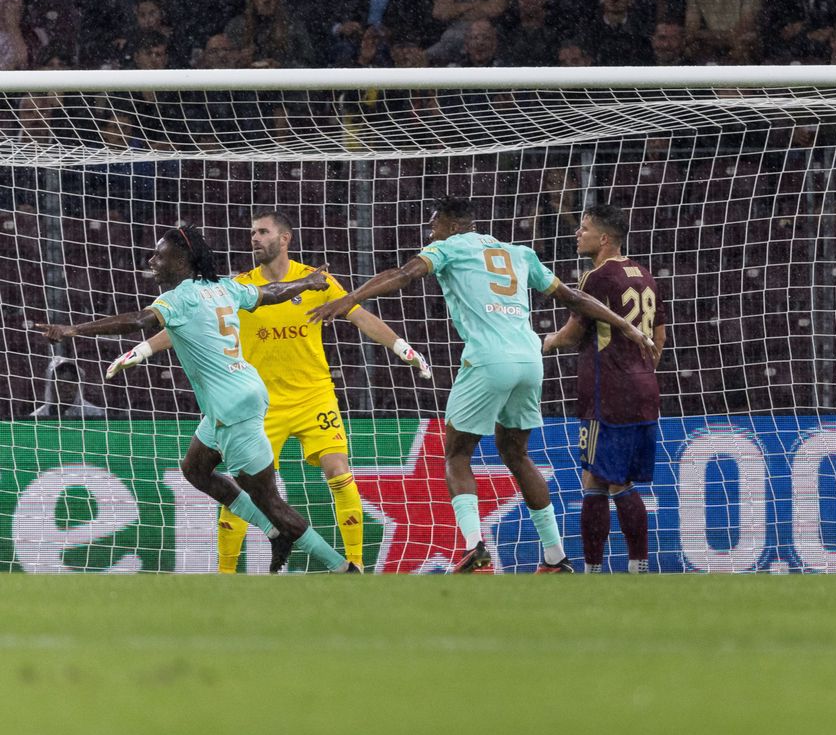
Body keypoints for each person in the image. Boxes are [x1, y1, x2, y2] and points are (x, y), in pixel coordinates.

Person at [307, 197, 658, 574]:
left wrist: (350, 298)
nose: (430, 233)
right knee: (517, 454)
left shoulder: (448, 247)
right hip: (530, 358)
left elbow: (404, 274)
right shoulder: (518, 252)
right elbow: (573, 297)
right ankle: (555, 555)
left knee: (457, 455)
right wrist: (624, 324)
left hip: (489, 359)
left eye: (434, 225)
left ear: (453, 225)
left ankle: (475, 548)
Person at [106, 211, 431, 573]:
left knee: (338, 472)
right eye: (252, 233)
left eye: (263, 232)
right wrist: (141, 350)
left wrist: (404, 348)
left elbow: (359, 315)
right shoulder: (236, 285)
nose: (254, 238)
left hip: (313, 395)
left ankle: (354, 564)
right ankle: (227, 573)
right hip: (261, 403)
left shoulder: (314, 279)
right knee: (250, 491)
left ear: (285, 238)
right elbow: (183, 323)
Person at [37, 225, 357, 574]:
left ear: (182, 259)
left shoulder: (179, 298)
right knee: (195, 468)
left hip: (231, 406)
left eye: (159, 255)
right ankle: (272, 530)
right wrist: (308, 283)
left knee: (270, 502)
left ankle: (341, 568)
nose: (152, 261)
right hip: (240, 394)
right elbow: (272, 291)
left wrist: (73, 330)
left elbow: (138, 320)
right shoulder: (222, 288)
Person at [543, 204, 666, 573]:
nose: (577, 234)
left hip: (607, 392)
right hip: (643, 388)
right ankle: (630, 565)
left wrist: (544, 343)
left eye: (584, 229)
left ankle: (602, 567)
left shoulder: (595, 278)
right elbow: (659, 335)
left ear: (605, 238)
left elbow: (572, 333)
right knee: (607, 477)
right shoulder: (644, 275)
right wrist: (641, 368)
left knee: (606, 479)